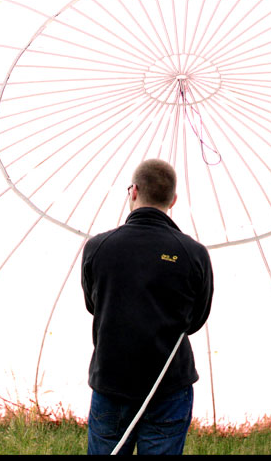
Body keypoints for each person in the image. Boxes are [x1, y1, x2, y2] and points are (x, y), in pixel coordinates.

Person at [82, 159, 214, 455]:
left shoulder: (98, 247)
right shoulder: (193, 253)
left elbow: (94, 304)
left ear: (134, 191)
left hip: (112, 381)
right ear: (174, 200)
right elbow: (195, 319)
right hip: (170, 385)